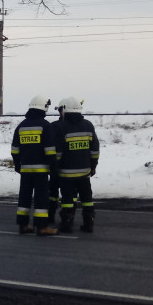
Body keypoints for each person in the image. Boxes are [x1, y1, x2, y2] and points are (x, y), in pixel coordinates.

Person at [11, 95, 58, 236]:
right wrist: (53, 167)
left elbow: (15, 150)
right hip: (41, 171)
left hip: (25, 170)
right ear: (43, 108)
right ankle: (42, 227)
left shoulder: (21, 126)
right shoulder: (45, 126)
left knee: (24, 196)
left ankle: (23, 225)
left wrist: (17, 165)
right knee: (41, 198)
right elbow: (50, 150)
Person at [53, 97, 100, 233]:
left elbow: (58, 152)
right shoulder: (88, 125)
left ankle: (67, 223)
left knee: (67, 200)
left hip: (66, 173)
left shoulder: (62, 127)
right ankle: (89, 223)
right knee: (87, 198)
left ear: (65, 110)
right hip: (85, 173)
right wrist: (93, 166)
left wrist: (55, 167)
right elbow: (95, 150)